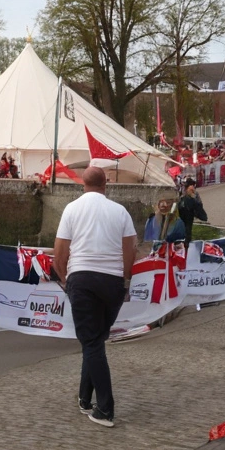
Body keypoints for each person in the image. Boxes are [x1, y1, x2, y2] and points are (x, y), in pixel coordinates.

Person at [53, 167, 136, 429]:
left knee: (91, 343)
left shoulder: (71, 209)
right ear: (106, 183)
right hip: (111, 280)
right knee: (95, 340)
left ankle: (105, 409)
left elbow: (59, 254)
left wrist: (66, 280)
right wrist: (124, 280)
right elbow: (131, 249)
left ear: (82, 183)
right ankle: (84, 398)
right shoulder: (120, 211)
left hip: (82, 278)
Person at [177, 179, 208, 243]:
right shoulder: (181, 193)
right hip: (182, 215)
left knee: (187, 229)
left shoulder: (194, 194)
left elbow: (199, 207)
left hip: (188, 216)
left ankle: (187, 241)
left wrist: (192, 196)